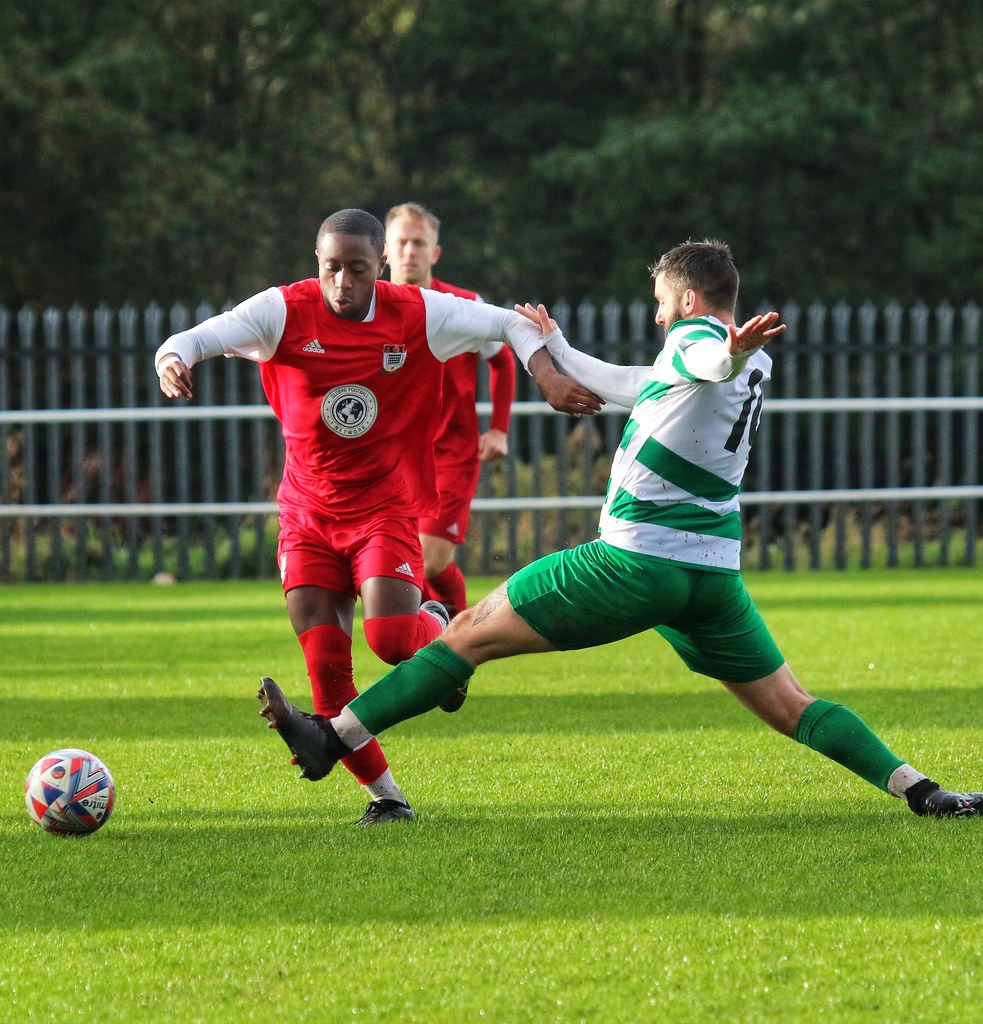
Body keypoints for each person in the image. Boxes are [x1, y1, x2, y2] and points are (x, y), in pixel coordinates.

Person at [257, 238, 983, 820]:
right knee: (792, 705)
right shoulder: (748, 359)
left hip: (635, 563)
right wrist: (556, 346)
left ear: (690, 300)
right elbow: (633, 382)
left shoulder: (704, 341)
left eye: (662, 303)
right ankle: (923, 792)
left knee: (465, 631)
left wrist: (718, 348)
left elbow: (699, 357)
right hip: (709, 577)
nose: (659, 317)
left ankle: (332, 738)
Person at [156, 208, 601, 826]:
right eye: (330, 268)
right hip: (306, 516)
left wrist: (548, 376)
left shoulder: (418, 314)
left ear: (380, 266)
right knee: (326, 672)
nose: (341, 282)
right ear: (317, 264)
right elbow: (194, 338)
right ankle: (388, 798)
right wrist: (171, 361)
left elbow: (510, 325)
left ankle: (443, 636)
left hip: (383, 509)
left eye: (356, 269)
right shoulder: (282, 311)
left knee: (391, 640)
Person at [384, 203, 516, 632]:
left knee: (429, 561)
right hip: (389, 456)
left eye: (418, 243)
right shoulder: (367, 308)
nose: (409, 252)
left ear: (434, 252)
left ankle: (454, 642)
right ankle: (443, 644)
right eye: (401, 242)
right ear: (385, 250)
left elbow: (503, 360)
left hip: (450, 453)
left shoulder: (463, 304)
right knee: (412, 567)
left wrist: (498, 428)